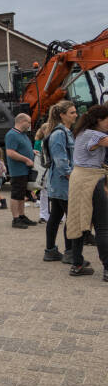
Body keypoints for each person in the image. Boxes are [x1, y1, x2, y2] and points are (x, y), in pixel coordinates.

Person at [65, 105, 108, 279]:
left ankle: (77, 264)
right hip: (92, 179)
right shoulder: (96, 135)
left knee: (76, 221)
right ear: (99, 120)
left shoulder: (82, 132)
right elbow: (98, 143)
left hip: (77, 179)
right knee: (103, 226)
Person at [43, 101, 77, 263]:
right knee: (71, 218)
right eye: (72, 112)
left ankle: (51, 250)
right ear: (62, 115)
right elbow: (61, 161)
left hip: (58, 183)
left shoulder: (64, 132)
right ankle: (70, 253)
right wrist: (73, 177)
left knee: (56, 216)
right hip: (63, 183)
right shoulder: (59, 134)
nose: (76, 115)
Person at [5, 114, 38, 229]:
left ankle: (22, 216)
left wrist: (31, 151)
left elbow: (21, 148)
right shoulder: (12, 135)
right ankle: (15, 218)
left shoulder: (22, 134)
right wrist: (26, 159)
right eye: (28, 122)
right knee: (16, 194)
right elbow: (10, 152)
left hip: (25, 170)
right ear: (22, 121)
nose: (29, 125)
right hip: (18, 170)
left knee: (22, 194)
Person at [34, 123, 51, 223]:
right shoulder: (40, 142)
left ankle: (45, 215)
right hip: (44, 169)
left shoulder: (46, 141)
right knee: (45, 192)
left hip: (44, 169)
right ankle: (44, 215)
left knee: (45, 193)